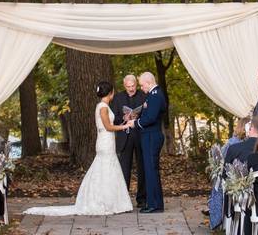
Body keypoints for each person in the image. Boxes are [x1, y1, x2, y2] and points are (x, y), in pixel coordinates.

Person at [24, 81, 134, 216]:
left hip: (106, 140)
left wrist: (124, 119)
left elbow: (109, 124)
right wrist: (125, 126)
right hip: (105, 141)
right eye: (113, 91)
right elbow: (108, 127)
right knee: (106, 168)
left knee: (106, 168)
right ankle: (106, 201)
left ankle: (108, 200)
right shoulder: (103, 107)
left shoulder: (103, 106)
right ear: (110, 93)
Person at [111, 73, 147, 208]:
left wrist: (137, 116)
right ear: (124, 86)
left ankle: (142, 199)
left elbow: (148, 115)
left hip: (140, 136)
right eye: (128, 87)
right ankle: (123, 199)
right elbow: (114, 118)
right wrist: (123, 118)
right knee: (124, 169)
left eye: (133, 86)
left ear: (136, 85)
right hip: (124, 137)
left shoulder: (143, 96)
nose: (131, 89)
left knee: (142, 168)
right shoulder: (118, 98)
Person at [135, 72, 167, 213]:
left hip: (151, 136)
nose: (141, 88)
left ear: (148, 82)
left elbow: (151, 118)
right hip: (150, 136)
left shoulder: (155, 95)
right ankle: (154, 202)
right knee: (150, 170)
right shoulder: (153, 94)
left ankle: (154, 204)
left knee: (151, 170)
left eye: (142, 85)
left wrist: (135, 123)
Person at [208, 117, 247, 229]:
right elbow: (224, 165)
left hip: (236, 182)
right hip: (234, 182)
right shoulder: (234, 144)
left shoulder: (232, 143)